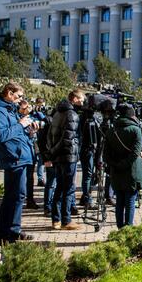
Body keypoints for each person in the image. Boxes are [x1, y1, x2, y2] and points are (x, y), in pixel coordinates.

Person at [0, 82, 36, 244]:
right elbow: (0, 135)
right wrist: (20, 124)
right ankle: (5, 234)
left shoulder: (9, 109)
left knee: (16, 196)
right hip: (13, 158)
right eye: (19, 96)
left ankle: (12, 231)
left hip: (20, 156)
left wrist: (29, 130)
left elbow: (17, 133)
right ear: (9, 93)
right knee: (14, 196)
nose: (21, 100)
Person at [48, 89, 85, 231]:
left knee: (59, 188)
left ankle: (56, 220)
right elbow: (67, 139)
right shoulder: (71, 114)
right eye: (81, 99)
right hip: (68, 156)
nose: (83, 102)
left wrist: (52, 151)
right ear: (74, 99)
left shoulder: (58, 112)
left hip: (58, 156)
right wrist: (56, 150)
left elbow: (50, 135)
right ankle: (66, 220)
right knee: (68, 189)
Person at [104, 104, 142, 228]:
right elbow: (135, 152)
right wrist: (124, 164)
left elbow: (106, 154)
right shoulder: (136, 130)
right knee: (130, 201)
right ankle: (128, 229)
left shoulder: (111, 130)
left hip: (116, 171)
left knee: (119, 202)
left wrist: (116, 165)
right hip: (132, 170)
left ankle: (120, 228)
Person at [79, 100, 102, 208]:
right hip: (88, 150)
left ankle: (85, 197)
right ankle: (87, 199)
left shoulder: (82, 117)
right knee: (87, 175)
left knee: (87, 175)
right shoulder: (86, 119)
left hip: (87, 150)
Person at [16, 99, 39, 210]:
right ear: (20, 108)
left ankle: (30, 199)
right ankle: (19, 200)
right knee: (21, 178)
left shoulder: (31, 118)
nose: (28, 110)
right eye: (26, 108)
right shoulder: (16, 118)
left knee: (30, 177)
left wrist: (33, 131)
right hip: (21, 152)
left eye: (29, 107)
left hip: (31, 149)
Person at [32, 98, 47, 186]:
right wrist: (38, 112)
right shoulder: (34, 114)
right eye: (41, 105)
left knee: (41, 160)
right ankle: (39, 178)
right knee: (38, 159)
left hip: (40, 139)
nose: (42, 107)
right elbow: (44, 120)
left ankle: (40, 178)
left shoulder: (40, 113)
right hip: (36, 139)